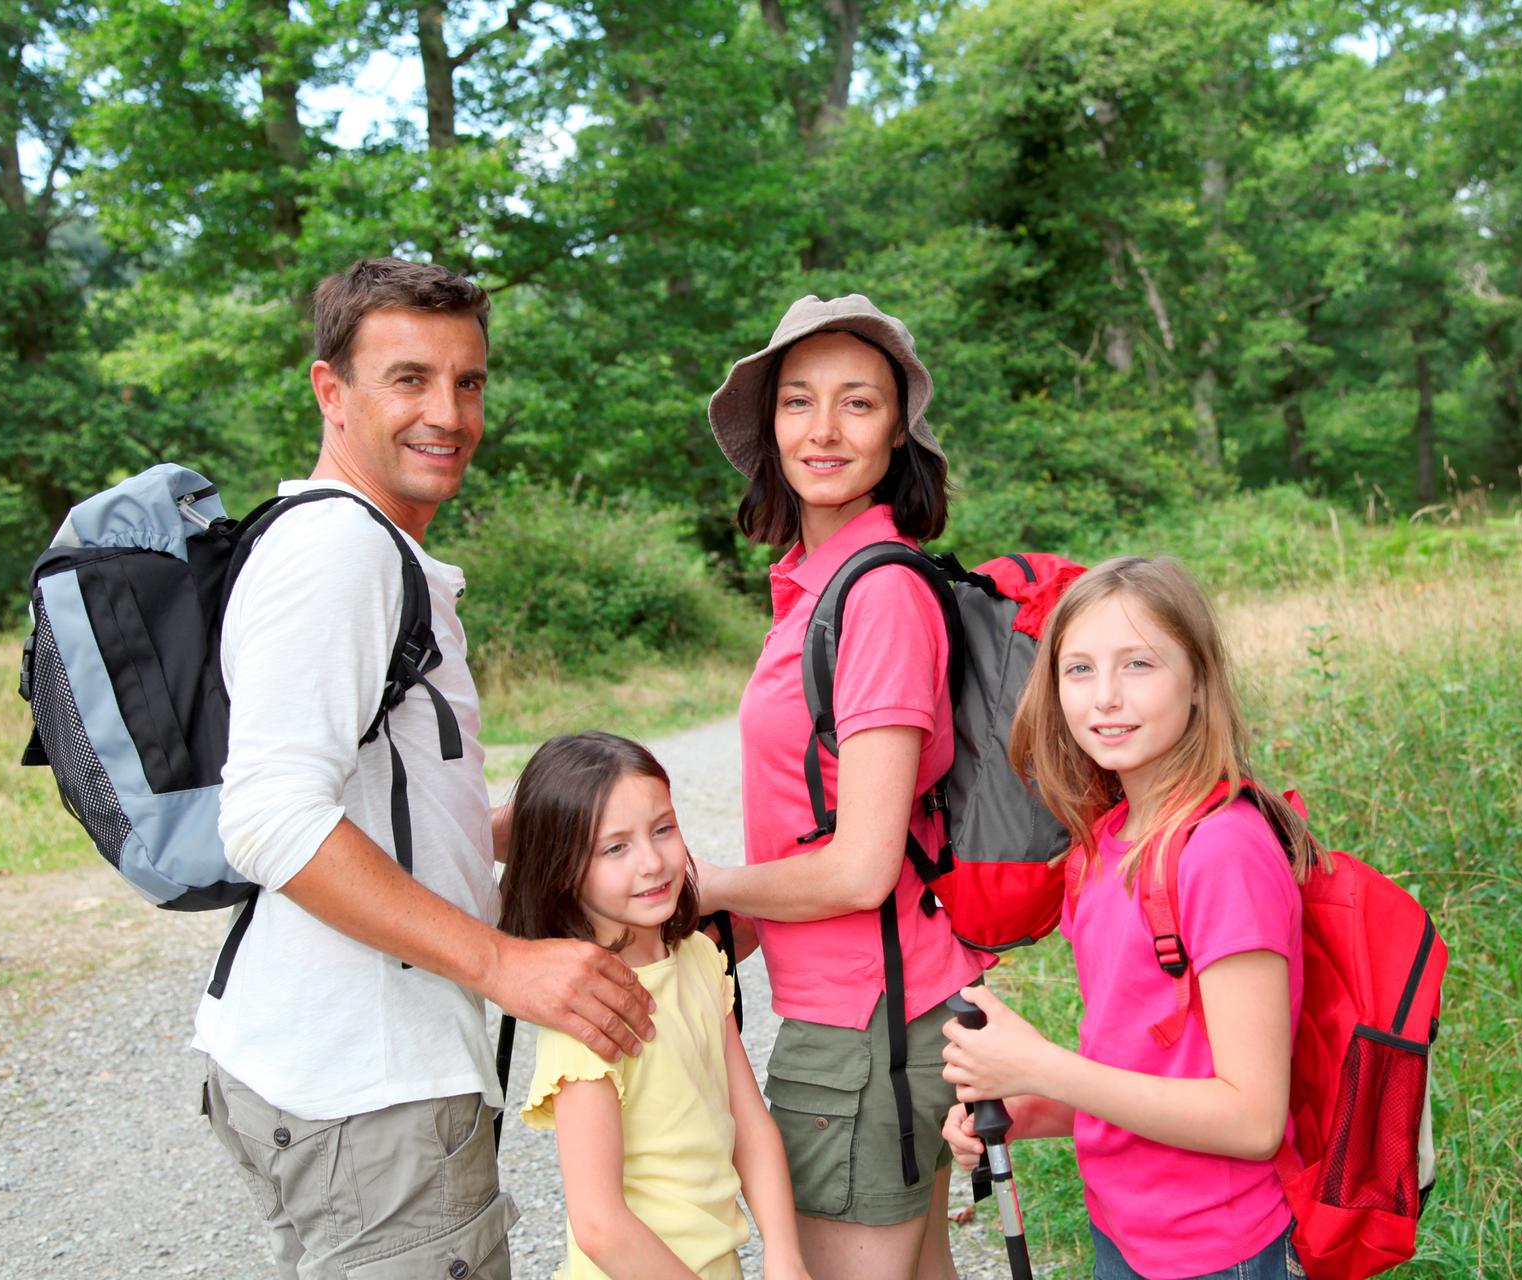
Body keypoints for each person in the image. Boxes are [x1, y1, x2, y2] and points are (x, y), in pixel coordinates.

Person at [195, 257, 656, 1280]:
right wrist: (505, 964)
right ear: (332, 391)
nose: (447, 411)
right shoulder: (341, 553)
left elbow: (373, 795)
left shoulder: (372, 550)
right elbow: (268, 816)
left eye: (469, 380)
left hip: (333, 1071)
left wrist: (537, 824)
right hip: (369, 1087)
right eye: (409, 378)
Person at [695, 295, 984, 1280]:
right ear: (769, 424)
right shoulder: (813, 580)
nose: (822, 431)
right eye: (798, 402)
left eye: (856, 403)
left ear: (897, 424)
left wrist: (707, 887)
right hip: (888, 1003)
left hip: (867, 1020)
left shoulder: (881, 591)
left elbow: (860, 867)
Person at [938, 556, 1331, 1280]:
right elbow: (1143, 1077)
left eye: (1139, 664)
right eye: (1078, 669)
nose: (1106, 698)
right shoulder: (1106, 843)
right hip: (1124, 1228)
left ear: (1199, 682)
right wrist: (1029, 1106)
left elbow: (1250, 1120)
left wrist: (1044, 1065)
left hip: (1216, 1250)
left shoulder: (1223, 852)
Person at [502, 733, 811, 1280]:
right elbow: (599, 1223)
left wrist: (784, 1255)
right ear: (561, 868)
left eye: (663, 829)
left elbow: (749, 1123)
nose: (652, 862)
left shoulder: (698, 957)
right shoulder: (584, 1007)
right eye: (614, 847)